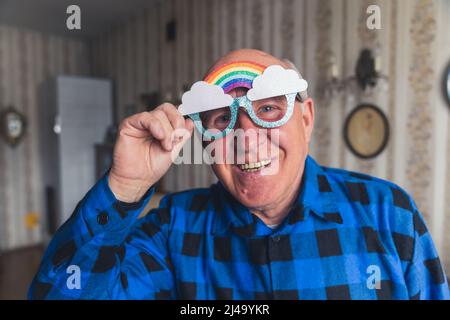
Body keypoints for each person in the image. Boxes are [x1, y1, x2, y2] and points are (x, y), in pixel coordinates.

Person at [29, 49, 449, 300]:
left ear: (306, 118)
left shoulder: (389, 215)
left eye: (268, 108)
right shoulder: (172, 229)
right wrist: (125, 188)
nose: (246, 135)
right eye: (221, 117)